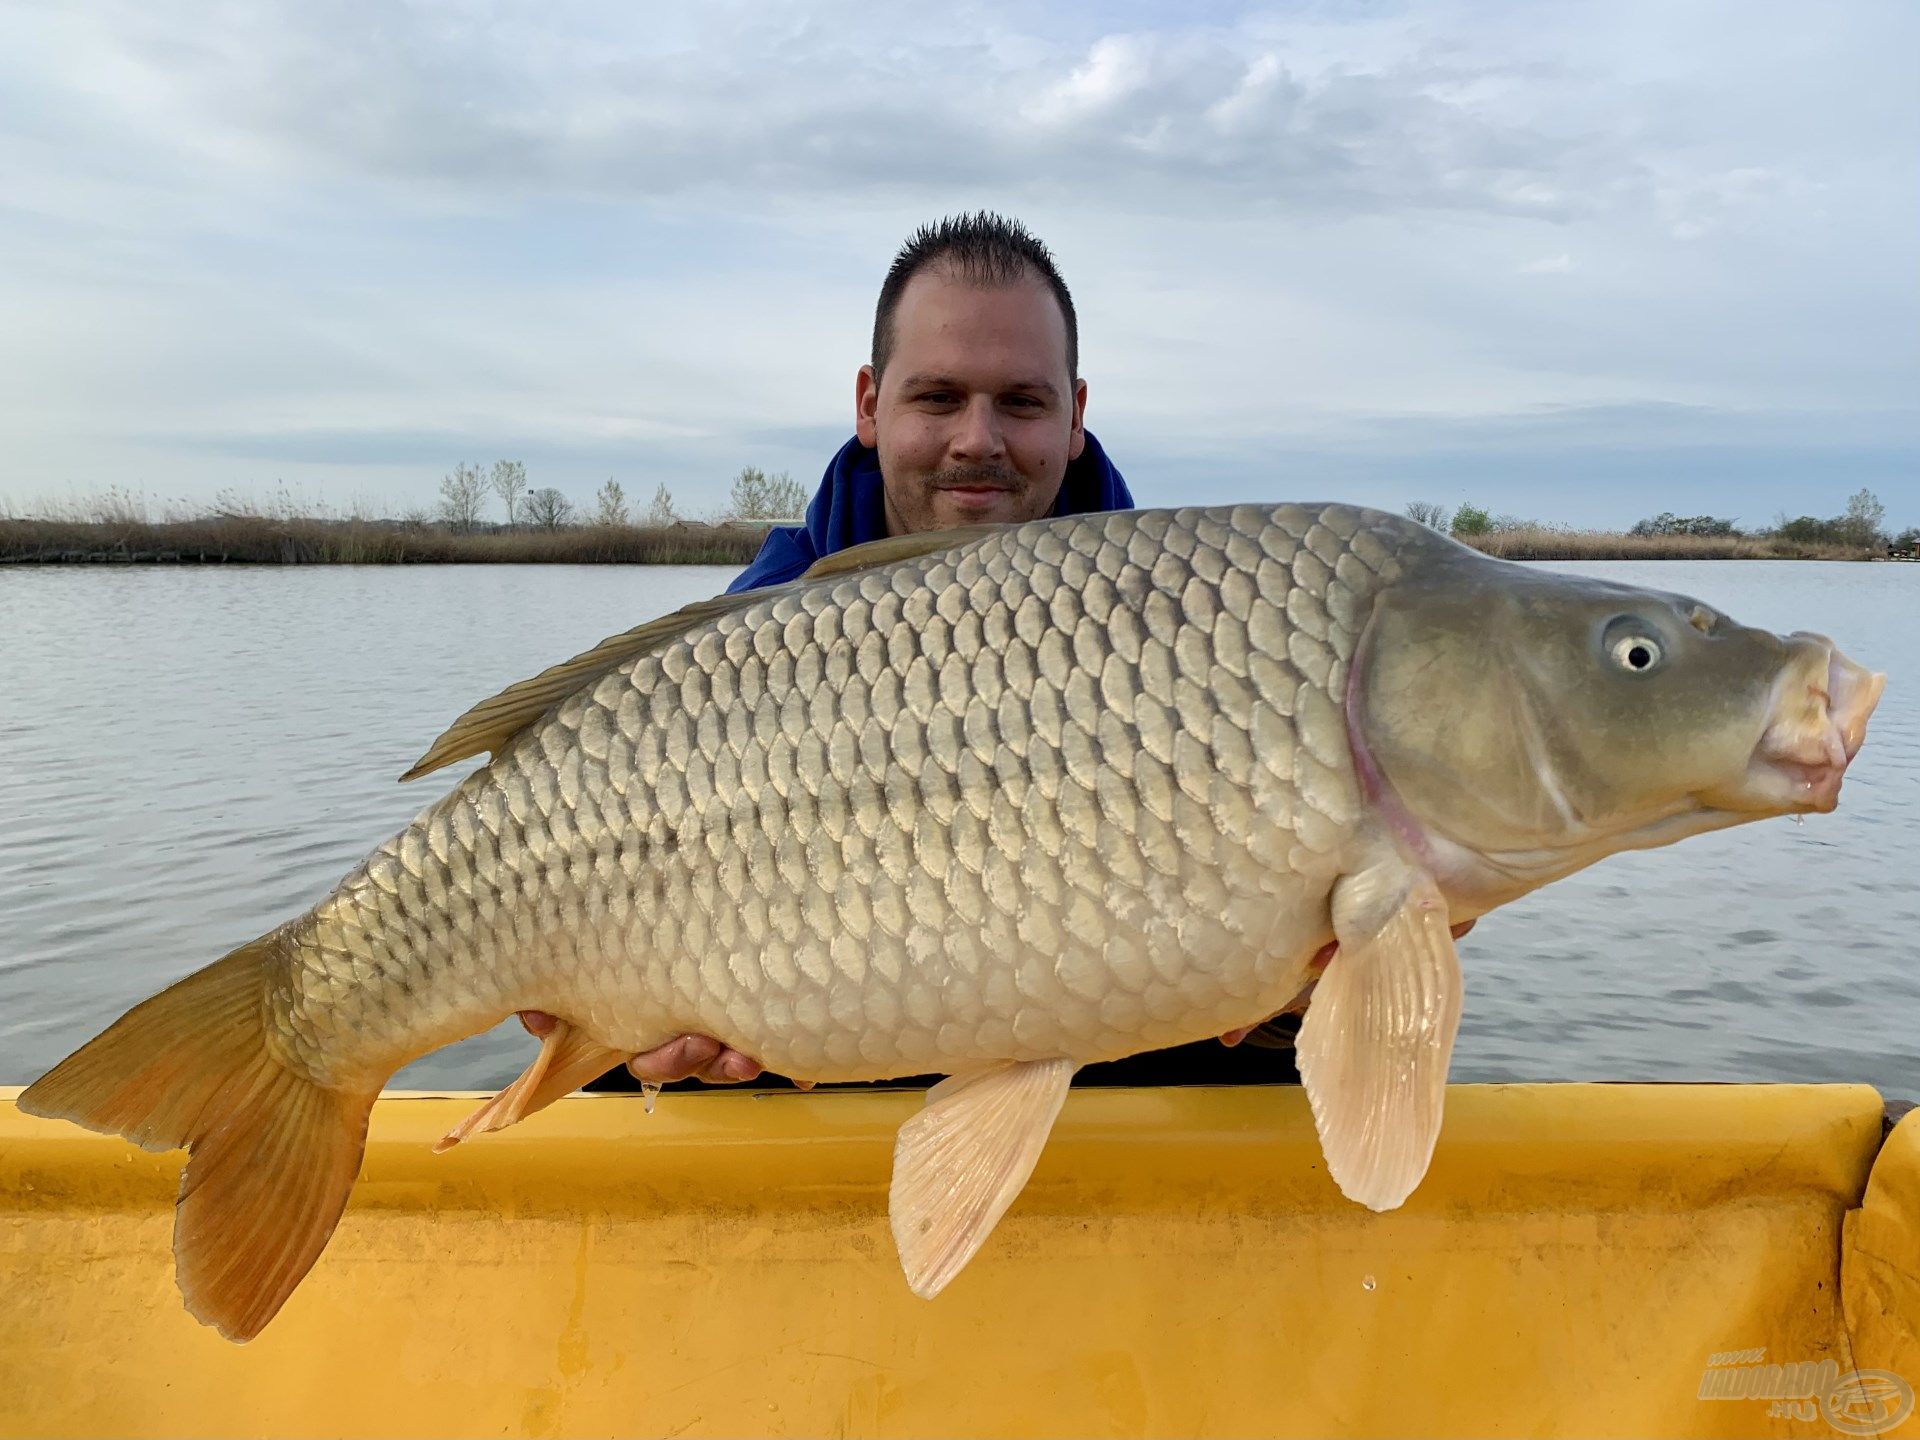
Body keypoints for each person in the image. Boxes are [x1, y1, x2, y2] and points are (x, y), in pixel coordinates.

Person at [526, 214, 1444, 1092]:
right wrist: (607, 1017)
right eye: (937, 397)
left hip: (1108, 1060)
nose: (979, 440)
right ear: (869, 405)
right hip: (825, 1064)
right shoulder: (739, 651)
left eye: (1021, 402)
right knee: (677, 1068)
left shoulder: (1196, 633)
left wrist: (1316, 972)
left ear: (1075, 414)